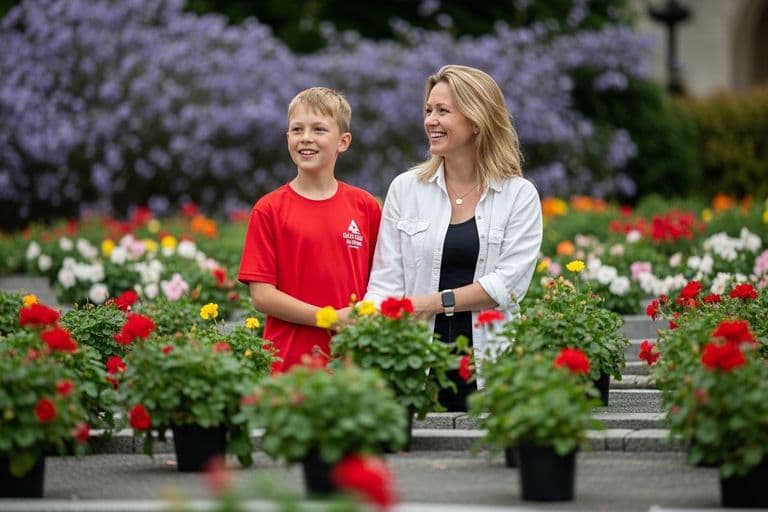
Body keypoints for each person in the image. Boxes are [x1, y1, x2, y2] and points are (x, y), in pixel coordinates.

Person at [365, 65, 543, 411]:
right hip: (414, 366)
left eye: (443, 111)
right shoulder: (405, 189)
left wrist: (429, 303)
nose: (430, 120)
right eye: (428, 110)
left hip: (489, 366)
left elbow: (507, 286)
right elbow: (385, 283)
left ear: (476, 121)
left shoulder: (519, 195)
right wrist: (365, 332)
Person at [238, 87, 382, 372]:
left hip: (354, 362)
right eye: (297, 129)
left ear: (343, 141)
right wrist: (328, 317)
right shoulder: (269, 209)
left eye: (319, 129)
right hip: (288, 364)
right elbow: (262, 296)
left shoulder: (365, 206)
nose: (306, 138)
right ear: (287, 138)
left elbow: (383, 281)